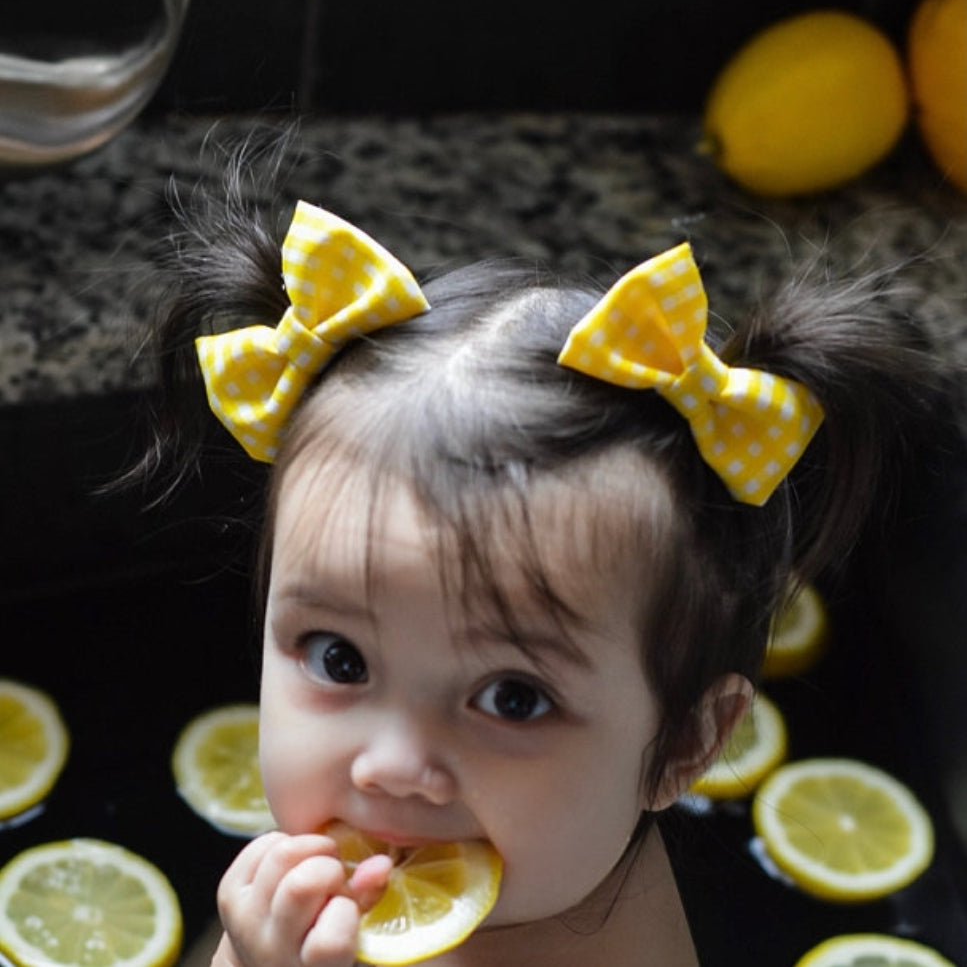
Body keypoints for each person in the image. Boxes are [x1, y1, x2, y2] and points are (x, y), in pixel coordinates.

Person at [139, 153, 949, 966]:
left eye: (514, 697)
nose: (389, 767)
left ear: (683, 747)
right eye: (338, 657)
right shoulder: (494, 853)